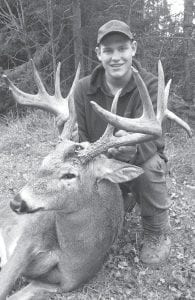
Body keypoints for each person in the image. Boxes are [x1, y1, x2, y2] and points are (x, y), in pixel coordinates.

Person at [58, 20, 171, 265]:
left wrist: (134, 148)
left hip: (139, 159)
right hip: (100, 161)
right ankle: (120, 199)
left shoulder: (150, 86)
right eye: (108, 50)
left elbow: (155, 137)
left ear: (134, 48)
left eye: (122, 48)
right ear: (99, 53)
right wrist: (68, 135)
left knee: (149, 167)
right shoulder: (82, 89)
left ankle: (156, 231)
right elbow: (82, 139)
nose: (116, 57)